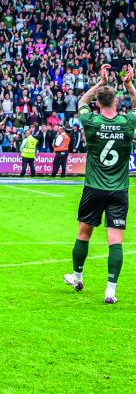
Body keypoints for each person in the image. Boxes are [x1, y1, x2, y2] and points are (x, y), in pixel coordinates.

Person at [64, 65, 136, 304]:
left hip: (94, 188)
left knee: (83, 234)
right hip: (118, 190)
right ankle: (110, 291)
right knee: (115, 241)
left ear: (98, 103)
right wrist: (128, 84)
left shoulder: (91, 122)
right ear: (116, 103)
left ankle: (77, 277)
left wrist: (99, 82)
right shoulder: (127, 123)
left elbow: (81, 101)